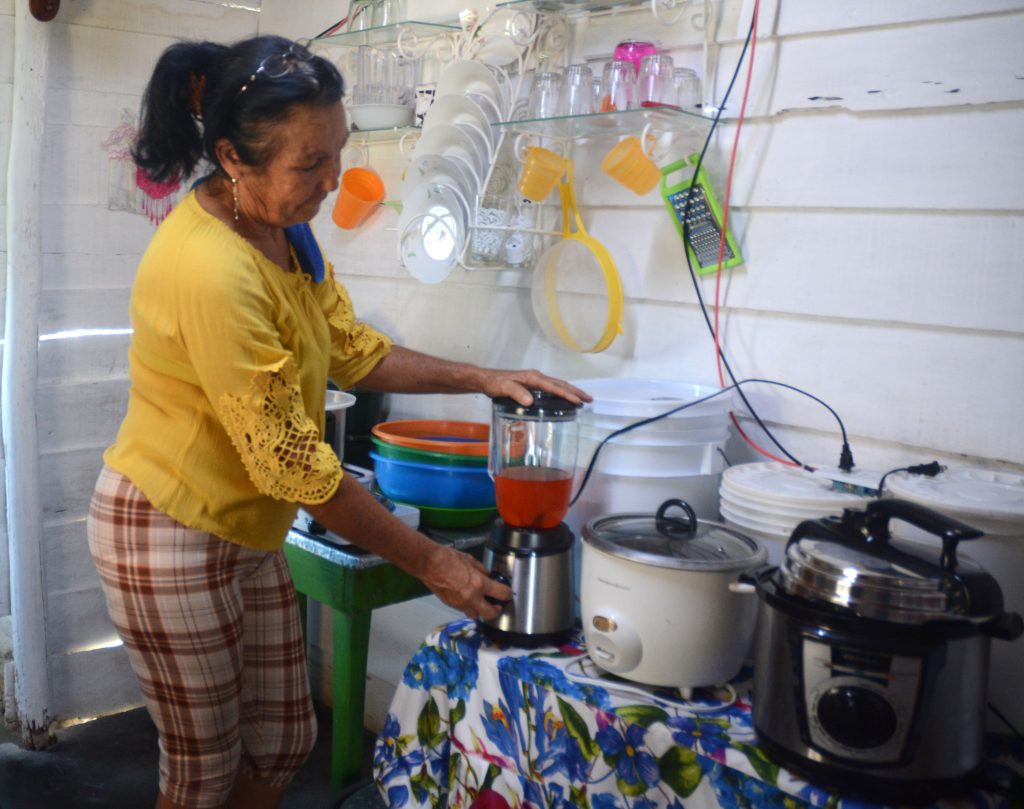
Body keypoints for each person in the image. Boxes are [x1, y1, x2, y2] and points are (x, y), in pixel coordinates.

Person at [86, 35, 589, 809]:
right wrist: (432, 562)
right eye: (308, 164)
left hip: (247, 526)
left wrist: (483, 378)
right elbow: (292, 466)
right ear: (232, 156)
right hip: (168, 528)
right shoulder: (211, 269)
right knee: (201, 770)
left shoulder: (286, 229)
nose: (333, 181)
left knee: (286, 738)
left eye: (337, 154)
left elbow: (349, 350)